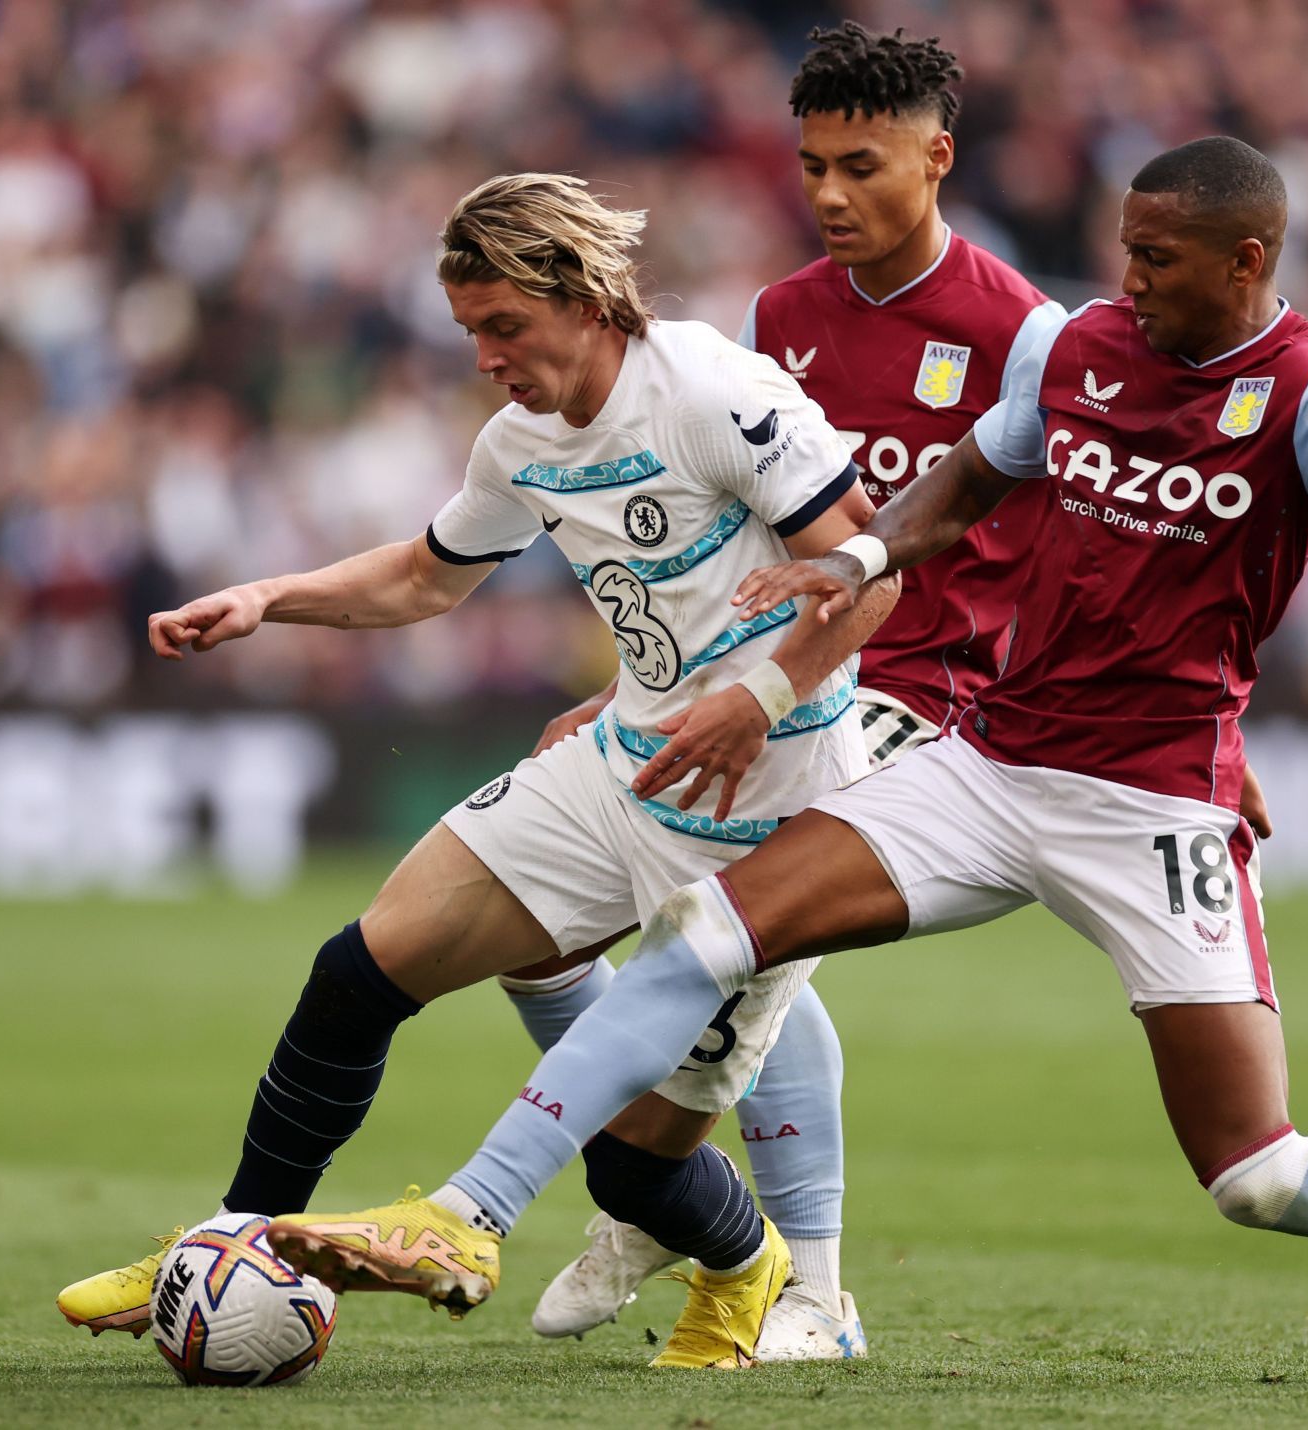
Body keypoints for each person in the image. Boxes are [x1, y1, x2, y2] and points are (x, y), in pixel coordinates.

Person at [272, 138, 1308, 1387]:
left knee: (1259, 1175)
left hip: (1150, 805)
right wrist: (872, 555)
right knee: (711, 931)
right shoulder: (1081, 349)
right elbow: (979, 471)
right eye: (1124, 250)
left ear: (1248, 258)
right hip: (991, 761)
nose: (1126, 278)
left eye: (1157, 258)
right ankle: (473, 1208)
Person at [55, 171, 903, 1369]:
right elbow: (423, 576)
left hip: (769, 815)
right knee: (357, 971)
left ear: (590, 297)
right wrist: (266, 598)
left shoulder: (716, 392)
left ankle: (756, 1267)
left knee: (628, 1161)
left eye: (504, 326)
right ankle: (230, 1237)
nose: (486, 357)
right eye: (469, 332)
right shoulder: (518, 443)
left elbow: (874, 573)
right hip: (623, 766)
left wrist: (759, 700)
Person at [501, 23, 1206, 1360]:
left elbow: (1105, 533)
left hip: (923, 698)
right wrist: (628, 699)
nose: (828, 194)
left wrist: (1191, 710)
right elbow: (734, 552)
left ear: (936, 159)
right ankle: (728, 1239)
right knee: (691, 938)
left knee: (735, 929)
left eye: (861, 165)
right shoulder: (780, 321)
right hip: (766, 674)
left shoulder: (1031, 334)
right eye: (812, 164)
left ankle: (727, 1236)